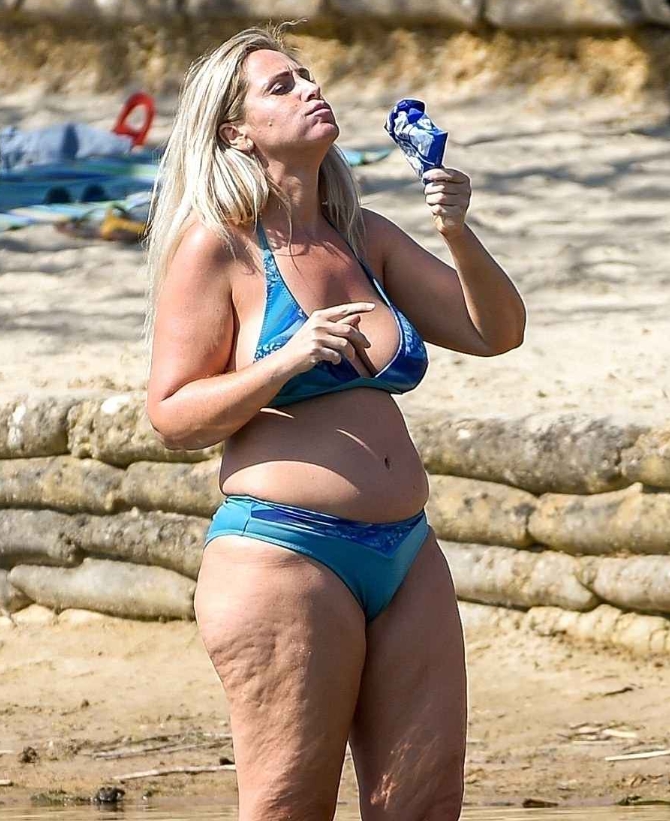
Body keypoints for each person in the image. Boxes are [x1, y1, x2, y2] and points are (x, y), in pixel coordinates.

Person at [144, 23, 526, 821]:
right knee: (289, 806)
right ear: (235, 131)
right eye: (281, 85)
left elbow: (496, 331)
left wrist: (456, 229)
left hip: (408, 554)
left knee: (425, 805)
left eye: (309, 75)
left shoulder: (364, 236)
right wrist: (284, 361)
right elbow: (172, 415)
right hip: (286, 555)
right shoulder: (217, 246)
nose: (311, 89)